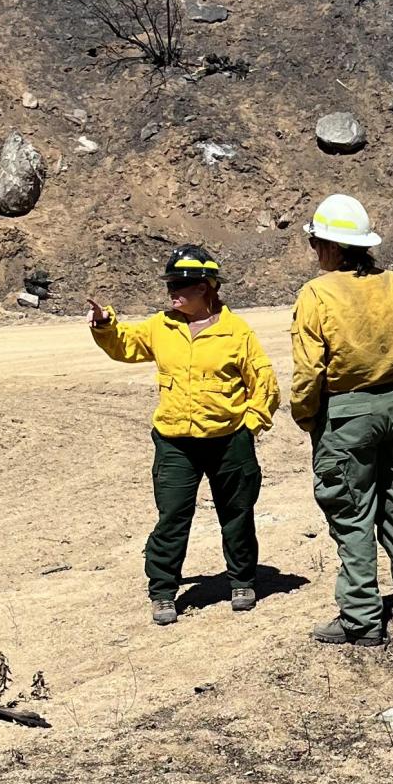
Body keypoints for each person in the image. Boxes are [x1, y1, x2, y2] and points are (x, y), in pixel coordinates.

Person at [88, 245, 279, 626]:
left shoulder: (235, 331)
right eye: (171, 283)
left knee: (236, 514)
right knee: (172, 516)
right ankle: (162, 591)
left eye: (183, 284)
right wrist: (105, 325)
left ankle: (242, 581)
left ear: (208, 287)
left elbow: (265, 383)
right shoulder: (162, 326)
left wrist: (250, 425)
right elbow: (125, 345)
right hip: (175, 441)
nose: (173, 290)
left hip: (229, 440)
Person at [290, 192, 393, 648]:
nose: (315, 252)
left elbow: (309, 371)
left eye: (317, 244)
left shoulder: (317, 294)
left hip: (345, 417)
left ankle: (361, 620)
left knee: (353, 517)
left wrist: (308, 417)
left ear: (332, 248)